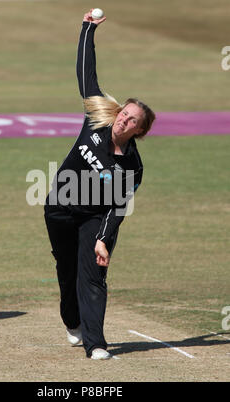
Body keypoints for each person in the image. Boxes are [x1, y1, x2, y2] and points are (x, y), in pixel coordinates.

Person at [44, 10, 155, 360]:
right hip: (59, 208)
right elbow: (85, 74)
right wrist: (88, 30)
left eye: (132, 120)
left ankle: (96, 344)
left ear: (140, 130)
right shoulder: (99, 116)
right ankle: (72, 323)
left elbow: (118, 207)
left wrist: (104, 240)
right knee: (67, 272)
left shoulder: (132, 166)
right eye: (125, 112)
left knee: (92, 276)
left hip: (95, 217)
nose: (124, 119)